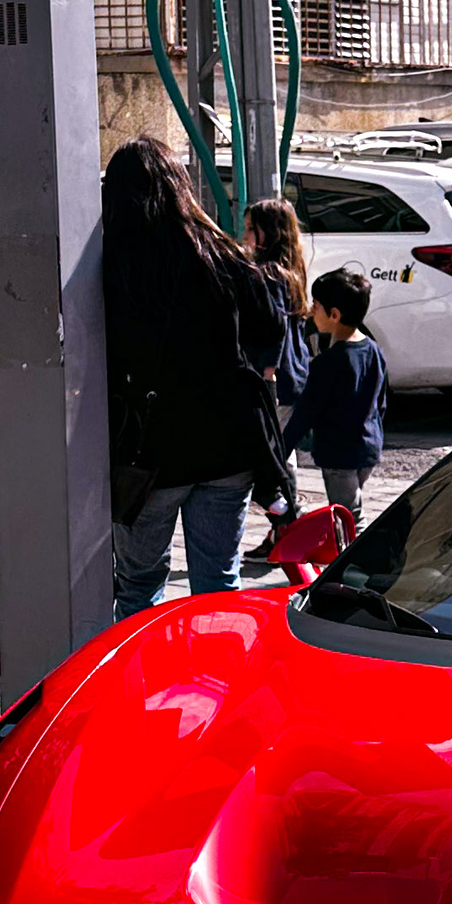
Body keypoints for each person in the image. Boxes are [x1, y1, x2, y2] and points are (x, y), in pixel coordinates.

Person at [100, 137, 284, 617]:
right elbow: (271, 326)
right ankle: (218, 684)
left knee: (139, 588)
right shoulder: (222, 256)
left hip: (149, 457)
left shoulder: (111, 266)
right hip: (227, 450)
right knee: (219, 584)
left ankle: (142, 689)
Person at [286, 266, 389, 514]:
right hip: (368, 446)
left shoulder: (329, 362)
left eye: (316, 305)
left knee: (348, 516)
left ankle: (354, 553)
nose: (311, 312)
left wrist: (282, 448)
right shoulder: (372, 349)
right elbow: (381, 402)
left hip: (339, 454)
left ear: (334, 314)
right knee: (350, 508)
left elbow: (306, 412)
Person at [242, 197, 311, 551]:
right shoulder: (292, 269)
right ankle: (284, 531)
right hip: (295, 375)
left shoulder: (267, 274)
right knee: (283, 455)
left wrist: (267, 374)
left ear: (267, 233)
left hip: (276, 380)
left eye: (251, 229)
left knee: (272, 460)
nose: (245, 236)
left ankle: (287, 528)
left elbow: (275, 329)